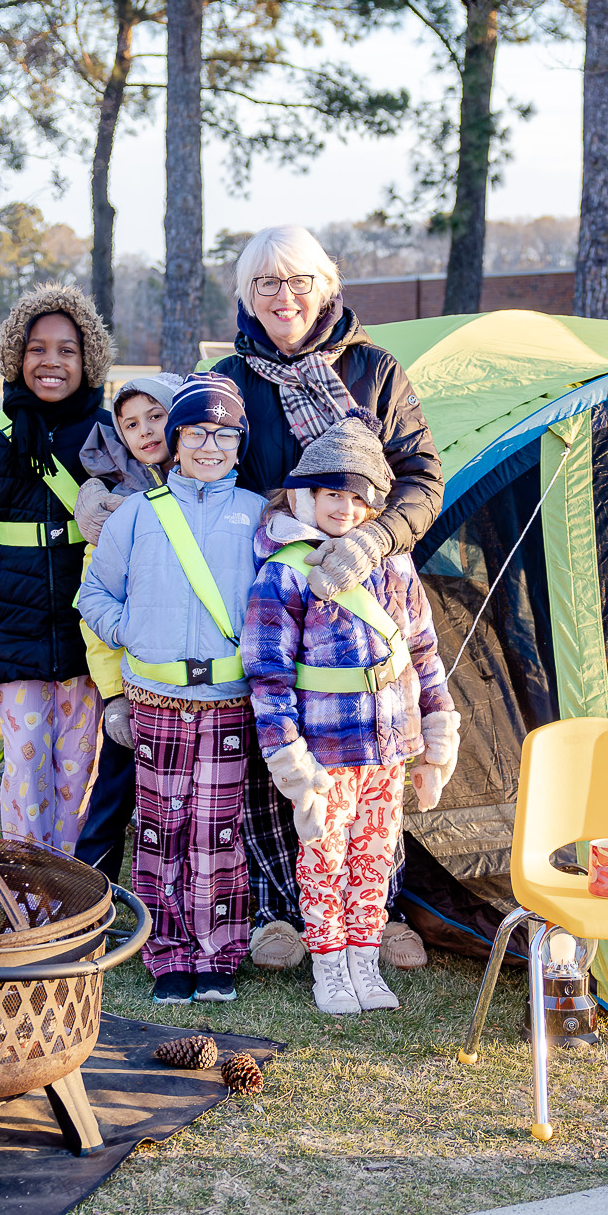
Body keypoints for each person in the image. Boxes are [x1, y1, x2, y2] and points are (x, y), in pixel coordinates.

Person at [212, 224, 445, 972]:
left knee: (371, 754)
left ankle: (381, 911)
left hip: (367, 581)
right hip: (270, 580)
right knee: (278, 742)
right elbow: (197, 460)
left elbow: (421, 480)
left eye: (298, 281)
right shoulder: (230, 378)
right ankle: (277, 910)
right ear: (247, 297)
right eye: (266, 285)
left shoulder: (375, 371)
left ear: (327, 285)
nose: (284, 298)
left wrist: (373, 542)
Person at [242, 410, 458, 1013]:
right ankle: (329, 967)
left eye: (360, 498)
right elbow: (268, 674)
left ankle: (365, 962)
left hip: (389, 744)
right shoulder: (285, 571)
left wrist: (435, 735)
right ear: (305, 494)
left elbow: (422, 650)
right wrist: (290, 758)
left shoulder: (394, 566)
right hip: (325, 751)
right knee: (324, 857)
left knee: (375, 855)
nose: (345, 508)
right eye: (332, 492)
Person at [78, 374, 266, 1005]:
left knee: (217, 827)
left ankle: (218, 952)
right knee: (161, 825)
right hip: (155, 700)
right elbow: (93, 593)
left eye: (224, 434)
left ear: (240, 442)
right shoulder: (137, 513)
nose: (209, 446)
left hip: (227, 700)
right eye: (195, 432)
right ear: (176, 439)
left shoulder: (258, 516)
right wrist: (128, 629)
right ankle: (167, 953)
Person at [0, 284, 111, 847]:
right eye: (37, 348)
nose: (51, 362)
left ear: (89, 359)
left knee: (77, 772)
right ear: (16, 356)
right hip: (15, 635)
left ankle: (73, 893)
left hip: (92, 634)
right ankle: (25, 893)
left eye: (67, 349)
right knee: (24, 769)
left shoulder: (114, 436)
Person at [71, 371, 187, 882]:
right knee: (113, 794)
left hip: (205, 681)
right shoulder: (113, 508)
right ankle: (85, 899)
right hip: (138, 684)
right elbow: (95, 611)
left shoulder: (219, 488)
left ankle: (181, 898)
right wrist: (114, 694)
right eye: (130, 423)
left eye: (157, 416)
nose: (145, 432)